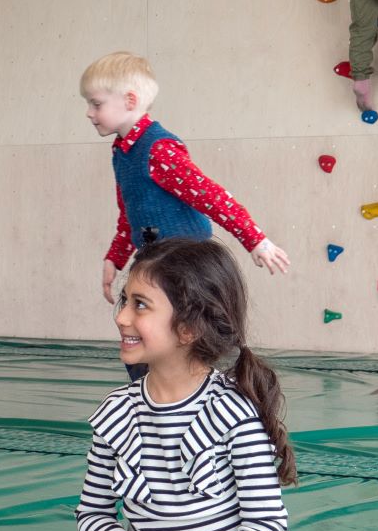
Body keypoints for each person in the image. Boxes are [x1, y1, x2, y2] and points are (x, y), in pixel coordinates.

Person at [0, 238, 319, 531]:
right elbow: (93, 515)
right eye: (124, 301)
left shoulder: (234, 413)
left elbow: (265, 526)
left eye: (141, 305)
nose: (122, 316)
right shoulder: (116, 411)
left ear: (189, 328)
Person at [82, 51, 288, 375]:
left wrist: (256, 240)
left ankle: (213, 395)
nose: (89, 113)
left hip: (187, 264)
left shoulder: (158, 149)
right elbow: (129, 213)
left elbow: (211, 196)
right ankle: (147, 398)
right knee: (142, 335)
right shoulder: (122, 151)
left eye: (96, 104)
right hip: (155, 260)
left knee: (192, 341)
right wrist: (115, 258)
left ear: (130, 100)